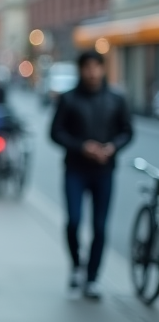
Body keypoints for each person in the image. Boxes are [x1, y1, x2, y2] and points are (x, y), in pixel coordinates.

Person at [49, 50, 133, 300]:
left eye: (96, 67)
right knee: (74, 221)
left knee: (99, 226)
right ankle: (77, 265)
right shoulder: (69, 99)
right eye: (87, 67)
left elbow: (127, 131)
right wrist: (81, 146)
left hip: (104, 170)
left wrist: (112, 147)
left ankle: (93, 277)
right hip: (75, 169)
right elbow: (55, 132)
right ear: (81, 69)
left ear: (103, 69)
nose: (92, 72)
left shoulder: (116, 99)